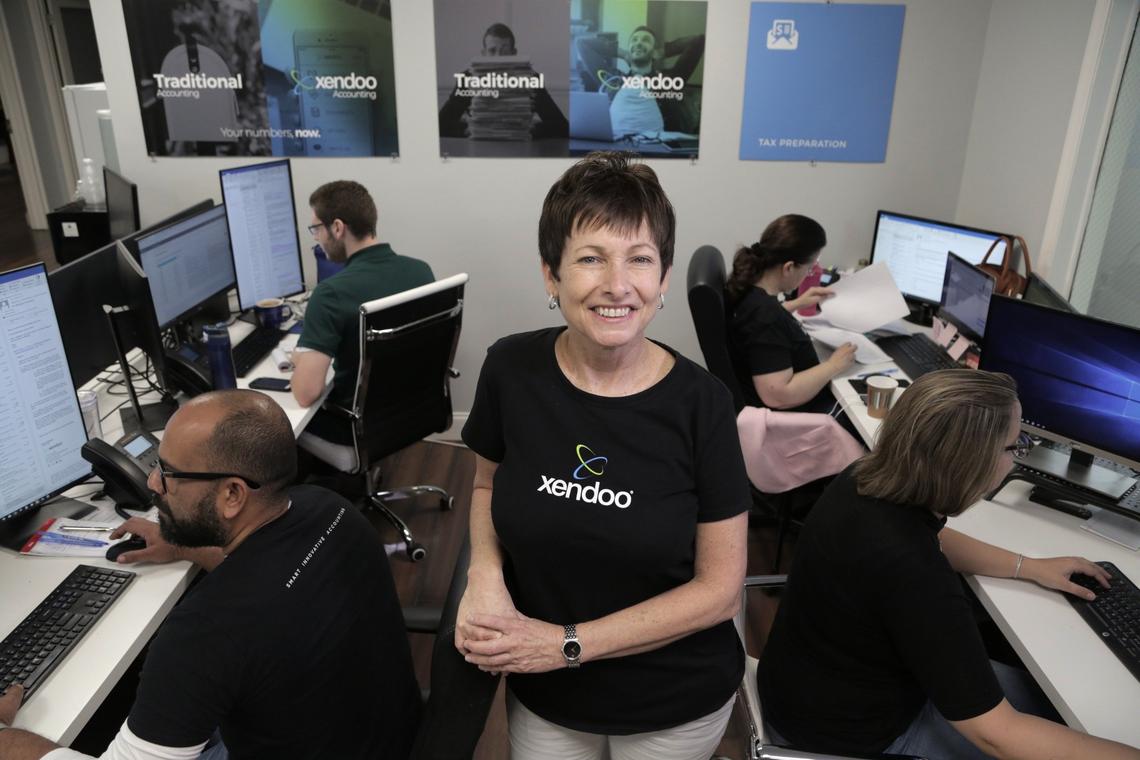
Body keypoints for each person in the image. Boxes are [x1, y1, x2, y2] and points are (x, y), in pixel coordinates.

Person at [456, 151, 751, 759]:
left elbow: (720, 591)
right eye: (590, 258)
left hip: (671, 700)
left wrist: (565, 644)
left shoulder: (705, 405)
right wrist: (484, 577)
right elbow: (487, 485)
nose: (617, 285)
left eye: (640, 259)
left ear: (664, 278)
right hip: (547, 693)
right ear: (550, 274)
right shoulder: (511, 370)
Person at [0, 390, 421, 760]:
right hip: (384, 734)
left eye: (167, 473)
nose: (151, 482)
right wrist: (181, 543)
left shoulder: (203, 633)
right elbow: (272, 581)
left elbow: (245, 611)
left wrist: (6, 738)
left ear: (233, 494)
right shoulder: (329, 508)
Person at [758, 369, 1140, 760]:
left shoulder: (864, 479)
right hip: (850, 736)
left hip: (804, 687)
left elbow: (932, 538)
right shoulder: (914, 571)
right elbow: (997, 735)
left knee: (1052, 705)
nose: (1017, 457)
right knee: (1070, 722)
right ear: (969, 462)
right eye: (1015, 446)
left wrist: (1029, 566)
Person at [292, 180, 434, 443]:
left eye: (316, 229)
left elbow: (305, 393)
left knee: (281, 423)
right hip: (412, 413)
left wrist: (300, 359)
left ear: (337, 227)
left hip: (351, 428)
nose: (316, 239)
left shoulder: (330, 294)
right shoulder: (421, 271)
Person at [725, 214, 856, 414]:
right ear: (789, 267)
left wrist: (797, 303)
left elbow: (757, 328)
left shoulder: (751, 291)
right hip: (795, 421)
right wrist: (834, 365)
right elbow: (778, 394)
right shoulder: (764, 318)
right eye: (810, 268)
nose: (810, 273)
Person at [438, 22, 569, 140]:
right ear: (483, 54)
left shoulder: (532, 80)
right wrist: (472, 129)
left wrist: (528, 129)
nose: (498, 57)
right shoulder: (467, 79)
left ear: (514, 53)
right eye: (492, 51)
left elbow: (561, 126)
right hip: (479, 148)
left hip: (520, 149)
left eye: (504, 51)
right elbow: (441, 124)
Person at [576, 26, 704, 140]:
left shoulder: (669, 80)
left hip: (657, 150)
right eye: (634, 40)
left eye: (646, 40)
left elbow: (697, 41)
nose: (638, 43)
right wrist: (623, 53)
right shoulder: (613, 79)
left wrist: (662, 52)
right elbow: (582, 43)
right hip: (616, 148)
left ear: (654, 50)